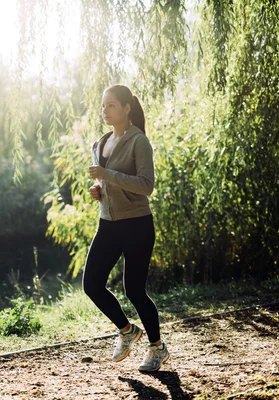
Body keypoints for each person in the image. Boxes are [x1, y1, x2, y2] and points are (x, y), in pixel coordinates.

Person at [83, 84, 170, 372]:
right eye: (103, 105)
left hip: (136, 224)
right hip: (107, 224)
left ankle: (157, 347)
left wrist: (108, 175)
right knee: (91, 284)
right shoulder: (101, 142)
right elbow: (106, 183)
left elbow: (147, 186)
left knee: (133, 289)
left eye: (111, 105)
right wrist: (98, 190)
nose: (105, 111)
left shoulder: (138, 142)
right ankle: (126, 330)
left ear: (126, 108)